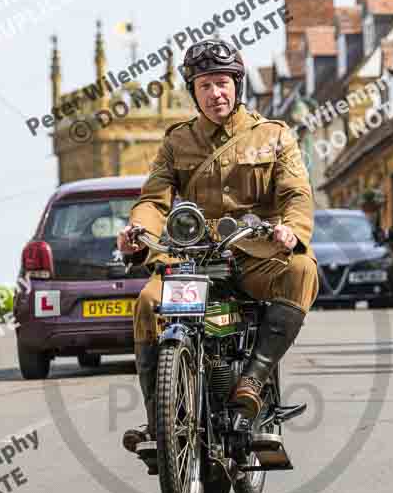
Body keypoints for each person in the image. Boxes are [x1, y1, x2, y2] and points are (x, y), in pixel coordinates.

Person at [117, 39, 319, 457]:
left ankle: (253, 379)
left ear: (237, 86)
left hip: (254, 256)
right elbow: (154, 200)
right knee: (147, 304)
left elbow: (296, 193)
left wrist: (290, 230)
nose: (215, 93)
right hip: (193, 261)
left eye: (222, 83)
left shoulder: (273, 136)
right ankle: (159, 421)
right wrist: (137, 230)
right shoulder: (177, 142)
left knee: (301, 270)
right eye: (205, 85)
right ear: (194, 91)